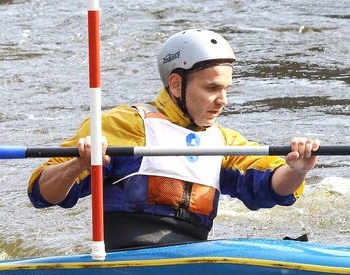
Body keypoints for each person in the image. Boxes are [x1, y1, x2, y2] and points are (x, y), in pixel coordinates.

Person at [28, 29, 320, 250]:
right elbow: (42, 192)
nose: (223, 101)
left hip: (190, 254)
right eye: (212, 88)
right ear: (177, 84)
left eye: (226, 88)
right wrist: (78, 164)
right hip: (126, 254)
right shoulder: (122, 125)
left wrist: (296, 170)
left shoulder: (224, 142)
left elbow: (270, 186)